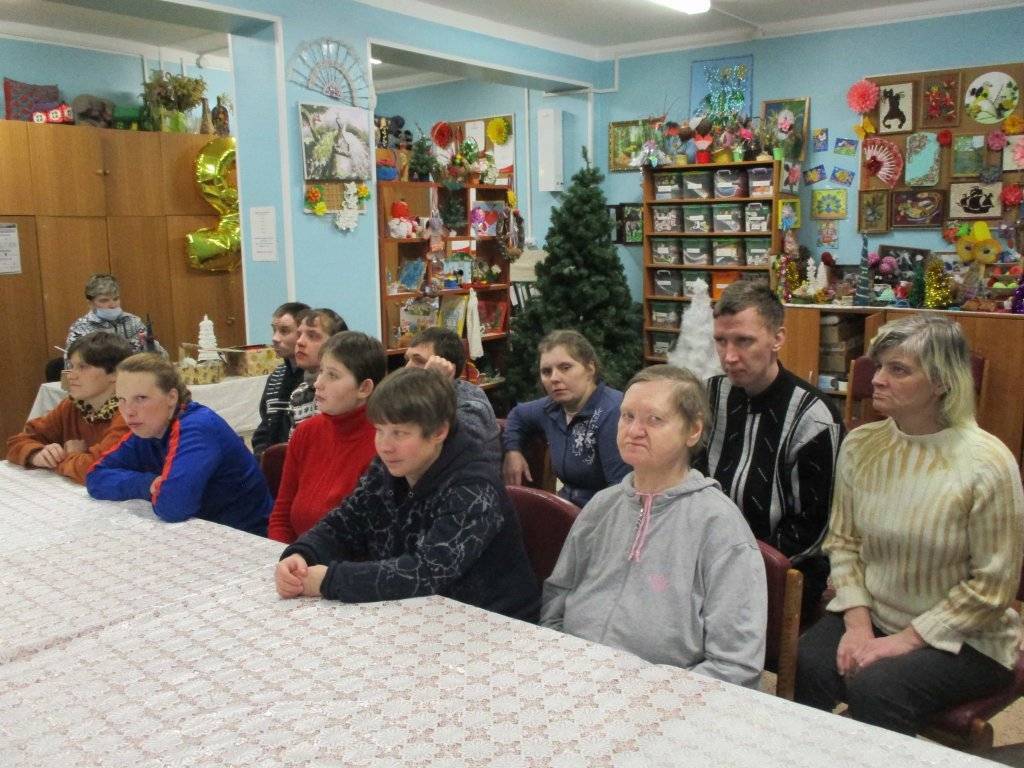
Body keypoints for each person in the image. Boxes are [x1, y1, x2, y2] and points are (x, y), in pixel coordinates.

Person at [794, 315, 1022, 735]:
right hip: (877, 613)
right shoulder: (861, 445)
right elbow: (843, 543)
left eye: (898, 370)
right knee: (806, 661)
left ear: (941, 382)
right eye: (879, 365)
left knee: (878, 687)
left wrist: (905, 641)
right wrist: (858, 626)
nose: (877, 379)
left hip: (970, 637)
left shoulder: (988, 464)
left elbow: (993, 586)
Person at [541, 365, 767, 687]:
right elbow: (557, 598)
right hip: (575, 675)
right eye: (627, 416)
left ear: (693, 431)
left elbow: (736, 663)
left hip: (665, 695)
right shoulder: (601, 507)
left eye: (654, 419)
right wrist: (560, 660)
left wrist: (651, 695)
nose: (634, 430)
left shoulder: (719, 526)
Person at [275, 366, 539, 621]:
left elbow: (428, 572)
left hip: (492, 623)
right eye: (379, 430)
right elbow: (347, 521)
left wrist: (330, 580)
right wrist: (303, 553)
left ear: (439, 432)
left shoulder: (474, 485)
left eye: (399, 433)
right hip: (417, 614)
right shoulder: (389, 467)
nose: (385, 446)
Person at [695, 281, 842, 613]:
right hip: (709, 554)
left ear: (778, 338)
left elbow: (813, 529)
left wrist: (736, 562)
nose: (729, 356)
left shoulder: (814, 417)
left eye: (744, 341)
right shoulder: (709, 395)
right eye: (720, 341)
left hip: (781, 570)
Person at [86, 353, 272, 536]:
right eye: (121, 400)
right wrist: (147, 483)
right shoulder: (148, 430)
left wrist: (157, 488)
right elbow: (95, 477)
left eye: (141, 398)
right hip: (201, 532)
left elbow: (173, 506)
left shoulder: (197, 428)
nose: (128, 411)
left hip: (248, 537)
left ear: (171, 397)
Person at [267, 331, 384, 544]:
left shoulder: (384, 444)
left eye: (333, 375)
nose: (318, 383)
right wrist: (284, 554)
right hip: (299, 555)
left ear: (364, 388)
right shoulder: (306, 432)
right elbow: (281, 516)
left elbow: (370, 538)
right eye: (321, 371)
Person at [502, 329, 629, 507]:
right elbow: (518, 415)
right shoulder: (552, 407)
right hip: (566, 505)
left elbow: (620, 492)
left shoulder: (613, 412)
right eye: (546, 371)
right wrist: (512, 450)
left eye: (565, 368)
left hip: (601, 512)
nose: (554, 378)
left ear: (590, 369)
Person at [7, 332, 132, 484]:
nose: (71, 375)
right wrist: (36, 453)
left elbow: (97, 468)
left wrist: (68, 455)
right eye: (71, 366)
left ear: (115, 374)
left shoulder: (130, 413)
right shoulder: (72, 406)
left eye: (83, 367)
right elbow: (17, 441)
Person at [404, 326, 501, 467]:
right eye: (407, 360)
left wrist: (435, 386)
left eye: (419, 361)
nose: (407, 369)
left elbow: (446, 454)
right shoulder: (415, 397)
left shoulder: (471, 406)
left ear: (447, 368)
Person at [251, 301, 310, 458]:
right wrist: (262, 453)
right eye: (274, 330)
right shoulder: (276, 376)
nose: (275, 338)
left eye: (284, 331)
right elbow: (266, 423)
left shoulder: (314, 379)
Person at [65, 273, 163, 359]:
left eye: (116, 299)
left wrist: (151, 345)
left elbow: (161, 358)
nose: (112, 305)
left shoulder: (133, 322)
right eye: (104, 300)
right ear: (90, 303)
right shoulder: (80, 328)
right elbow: (70, 365)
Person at [288, 308, 347, 433]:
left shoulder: (346, 392)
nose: (299, 342)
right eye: (299, 335)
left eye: (312, 336)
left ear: (336, 344)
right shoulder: (298, 394)